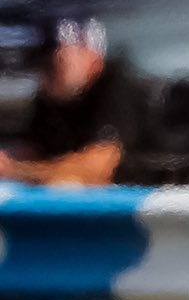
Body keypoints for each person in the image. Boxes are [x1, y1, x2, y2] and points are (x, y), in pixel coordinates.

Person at [0, 17, 130, 185]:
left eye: (54, 66)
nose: (44, 77)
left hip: (152, 201)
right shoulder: (52, 97)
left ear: (91, 59)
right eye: (41, 65)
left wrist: (16, 170)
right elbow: (33, 150)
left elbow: (96, 171)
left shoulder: (117, 89)